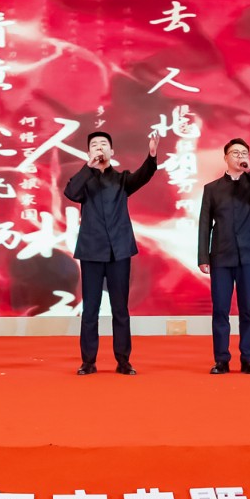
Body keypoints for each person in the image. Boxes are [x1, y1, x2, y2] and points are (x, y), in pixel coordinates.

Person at [64, 130, 159, 375]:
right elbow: (71, 193)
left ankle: (123, 361)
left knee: (120, 309)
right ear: (88, 152)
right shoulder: (84, 180)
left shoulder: (122, 180)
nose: (99, 147)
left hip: (119, 252)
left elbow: (144, 175)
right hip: (91, 252)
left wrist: (151, 154)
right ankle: (88, 361)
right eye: (95, 145)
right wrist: (89, 167)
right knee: (90, 310)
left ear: (112, 151)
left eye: (104, 144)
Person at [197, 138, 250, 374]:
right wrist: (203, 257)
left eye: (244, 153)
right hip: (221, 257)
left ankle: (248, 359)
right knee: (220, 309)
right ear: (225, 158)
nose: (240, 156)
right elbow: (204, 225)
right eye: (235, 153)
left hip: (249, 256)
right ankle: (221, 359)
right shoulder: (212, 189)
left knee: (248, 309)